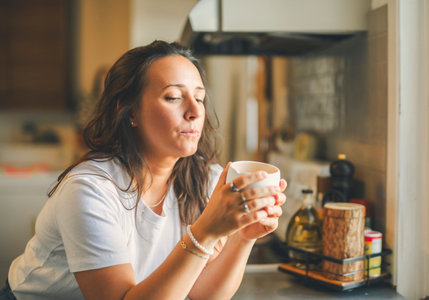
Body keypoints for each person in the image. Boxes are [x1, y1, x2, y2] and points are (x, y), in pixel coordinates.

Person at [0, 40, 287, 300]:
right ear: (130, 110)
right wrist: (205, 231)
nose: (195, 111)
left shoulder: (206, 178)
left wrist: (244, 236)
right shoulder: (89, 190)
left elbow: (204, 293)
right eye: (173, 97)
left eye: (199, 98)